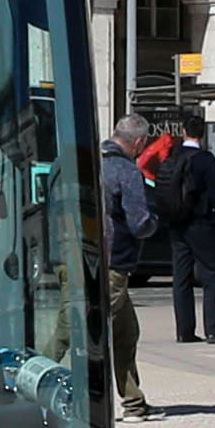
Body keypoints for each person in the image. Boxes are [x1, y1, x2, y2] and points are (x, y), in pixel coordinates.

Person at [151, 117, 215, 344]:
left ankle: (184, 331)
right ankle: (214, 330)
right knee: (212, 274)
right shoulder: (205, 159)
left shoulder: (173, 156)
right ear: (203, 134)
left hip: (176, 223)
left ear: (184, 132)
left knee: (181, 277)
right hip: (200, 223)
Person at [97, 124, 157, 394]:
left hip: (87, 256)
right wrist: (155, 222)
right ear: (140, 142)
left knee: (126, 331)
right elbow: (139, 222)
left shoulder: (90, 162)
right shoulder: (127, 171)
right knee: (87, 330)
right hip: (115, 262)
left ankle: (134, 399)